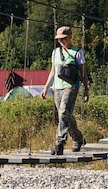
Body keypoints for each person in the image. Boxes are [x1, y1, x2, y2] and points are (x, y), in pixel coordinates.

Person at [41, 26, 89, 155]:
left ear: (70, 37)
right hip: (57, 87)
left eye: (64, 38)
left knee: (63, 112)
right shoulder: (55, 52)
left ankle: (59, 144)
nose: (62, 41)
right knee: (65, 114)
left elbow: (83, 72)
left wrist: (86, 90)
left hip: (71, 86)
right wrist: (46, 87)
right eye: (59, 39)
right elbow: (53, 71)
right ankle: (79, 139)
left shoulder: (77, 52)